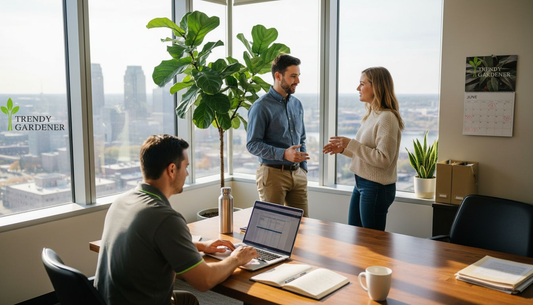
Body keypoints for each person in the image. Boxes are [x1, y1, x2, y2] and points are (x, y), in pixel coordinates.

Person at [94, 135, 257, 305]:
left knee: (187, 300)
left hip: (108, 299)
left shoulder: (122, 201)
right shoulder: (165, 218)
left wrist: (200, 246)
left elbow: (149, 244)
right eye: (186, 167)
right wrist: (237, 258)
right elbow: (204, 281)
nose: (187, 173)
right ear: (172, 170)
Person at [323, 67, 404, 230]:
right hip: (361, 183)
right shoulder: (372, 114)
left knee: (372, 242)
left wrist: (351, 144)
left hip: (376, 187)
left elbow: (384, 160)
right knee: (356, 236)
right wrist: (344, 150)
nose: (357, 88)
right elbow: (366, 153)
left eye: (362, 84)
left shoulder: (387, 118)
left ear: (376, 87)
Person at [246, 54, 310, 217]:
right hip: (272, 175)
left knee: (304, 226)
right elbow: (252, 144)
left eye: (298, 76)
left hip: (297, 175)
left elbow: (301, 138)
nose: (297, 81)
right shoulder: (261, 106)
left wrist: (303, 170)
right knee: (272, 228)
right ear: (278, 76)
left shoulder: (297, 104)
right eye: (293, 76)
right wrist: (283, 154)